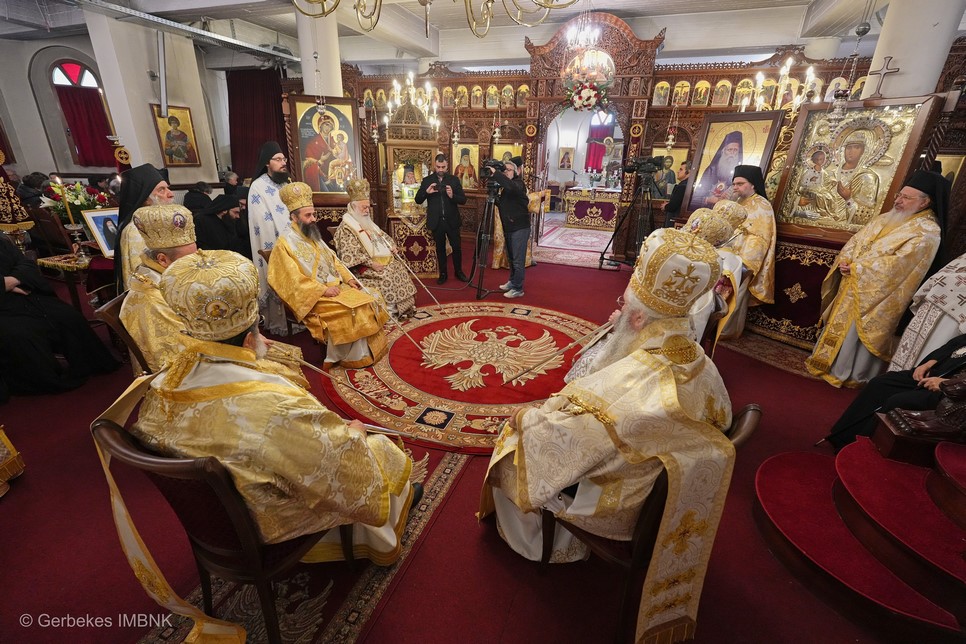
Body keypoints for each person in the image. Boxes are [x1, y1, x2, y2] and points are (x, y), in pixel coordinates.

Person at [479, 227, 733, 640]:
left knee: (514, 444)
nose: (618, 313)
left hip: (621, 499)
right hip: (662, 484)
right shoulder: (700, 361)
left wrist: (525, 419)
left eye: (623, 305)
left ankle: (544, 543)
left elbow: (566, 442)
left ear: (638, 318)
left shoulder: (629, 382)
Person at [121, 248, 419, 563]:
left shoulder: (163, 383)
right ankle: (380, 533)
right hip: (267, 519)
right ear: (250, 340)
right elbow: (336, 468)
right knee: (378, 450)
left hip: (216, 517)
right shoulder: (276, 406)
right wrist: (355, 435)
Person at [119, 203, 306, 379]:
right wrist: (245, 343)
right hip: (200, 370)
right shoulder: (151, 297)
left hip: (221, 347)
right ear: (162, 260)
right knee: (284, 371)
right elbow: (179, 354)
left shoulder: (169, 277)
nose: (196, 261)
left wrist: (248, 332)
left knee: (288, 356)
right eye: (190, 258)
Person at [805, 171, 946, 387]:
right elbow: (857, 240)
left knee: (858, 331)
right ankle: (824, 363)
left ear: (925, 202)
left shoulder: (927, 231)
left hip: (877, 293)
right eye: (899, 195)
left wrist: (858, 268)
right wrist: (846, 260)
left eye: (906, 197)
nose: (898, 201)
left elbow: (901, 266)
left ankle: (849, 374)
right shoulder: (887, 218)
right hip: (852, 281)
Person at [268, 182, 389, 369]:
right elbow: (290, 281)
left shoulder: (312, 235)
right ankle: (351, 356)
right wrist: (322, 290)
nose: (313, 219)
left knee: (371, 296)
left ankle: (368, 351)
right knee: (354, 310)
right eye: (308, 215)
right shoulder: (284, 244)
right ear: (294, 217)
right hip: (313, 296)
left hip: (336, 287)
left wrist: (349, 278)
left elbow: (335, 261)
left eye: (313, 214)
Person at [0, 233, 118, 402]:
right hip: (3, 309)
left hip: (23, 294)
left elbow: (25, 264)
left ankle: (89, 365)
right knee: (23, 334)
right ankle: (44, 379)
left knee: (68, 316)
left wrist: (11, 281)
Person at [822, 333, 966, 449]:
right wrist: (928, 363)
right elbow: (954, 344)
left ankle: (862, 447)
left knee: (898, 401)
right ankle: (842, 438)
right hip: (934, 374)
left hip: (954, 393)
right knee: (880, 383)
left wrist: (946, 383)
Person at [333, 177, 417, 319]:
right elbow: (350, 254)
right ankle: (389, 312)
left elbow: (382, 236)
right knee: (387, 277)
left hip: (381, 262)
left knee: (399, 267)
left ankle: (403, 309)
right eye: (364, 208)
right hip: (363, 269)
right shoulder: (346, 228)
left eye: (368, 207)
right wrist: (371, 264)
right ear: (353, 207)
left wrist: (392, 246)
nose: (367, 210)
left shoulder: (367, 222)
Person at [717, 165, 776, 339]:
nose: (735, 187)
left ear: (753, 184)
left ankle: (727, 331)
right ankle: (714, 326)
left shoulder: (762, 205)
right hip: (726, 256)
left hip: (743, 260)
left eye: (740, 184)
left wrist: (746, 263)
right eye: (734, 183)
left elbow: (761, 237)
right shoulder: (738, 203)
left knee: (736, 295)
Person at [889, 251, 966, 372]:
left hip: (956, 316)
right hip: (936, 301)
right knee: (914, 348)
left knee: (937, 347)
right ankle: (899, 374)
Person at [247, 141, 292, 336]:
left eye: (284, 159)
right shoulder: (258, 187)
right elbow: (262, 222)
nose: (283, 163)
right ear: (267, 162)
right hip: (274, 242)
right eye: (278, 159)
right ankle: (279, 321)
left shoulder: (287, 184)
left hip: (293, 242)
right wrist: (280, 243)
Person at [114, 164, 174, 292]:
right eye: (161, 190)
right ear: (146, 198)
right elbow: (142, 275)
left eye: (168, 188)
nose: (170, 194)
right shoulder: (136, 230)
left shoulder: (159, 220)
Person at [415, 154, 468, 285]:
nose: (440, 169)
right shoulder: (427, 180)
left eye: (443, 167)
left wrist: (452, 195)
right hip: (436, 221)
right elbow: (418, 200)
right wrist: (426, 192)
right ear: (435, 165)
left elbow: (463, 200)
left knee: (456, 247)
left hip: (452, 220)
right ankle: (443, 273)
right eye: (438, 167)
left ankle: (458, 271)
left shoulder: (454, 180)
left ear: (447, 166)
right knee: (440, 248)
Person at [491, 156, 530, 299]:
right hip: (509, 226)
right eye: (504, 170)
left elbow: (511, 187)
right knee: (511, 258)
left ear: (516, 171)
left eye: (509, 170)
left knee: (518, 260)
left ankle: (518, 288)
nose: (506, 172)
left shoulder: (518, 184)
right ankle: (513, 281)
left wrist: (496, 174)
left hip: (519, 227)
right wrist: (493, 197)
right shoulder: (506, 188)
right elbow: (504, 204)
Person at [694, 131, 742, 207]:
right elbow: (695, 198)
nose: (732, 153)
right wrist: (708, 199)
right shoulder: (711, 170)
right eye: (729, 150)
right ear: (723, 151)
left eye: (735, 150)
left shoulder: (740, 173)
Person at [303, 112, 337, 192]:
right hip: (319, 174)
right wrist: (320, 161)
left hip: (332, 173)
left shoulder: (334, 141)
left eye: (330, 126)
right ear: (320, 126)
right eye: (326, 125)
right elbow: (308, 162)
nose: (328, 128)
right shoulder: (313, 142)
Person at [662, 161, 690, 227]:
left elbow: (673, 206)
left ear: (688, 172)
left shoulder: (682, 186)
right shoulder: (687, 185)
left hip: (674, 220)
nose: (678, 171)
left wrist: (665, 206)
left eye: (681, 169)